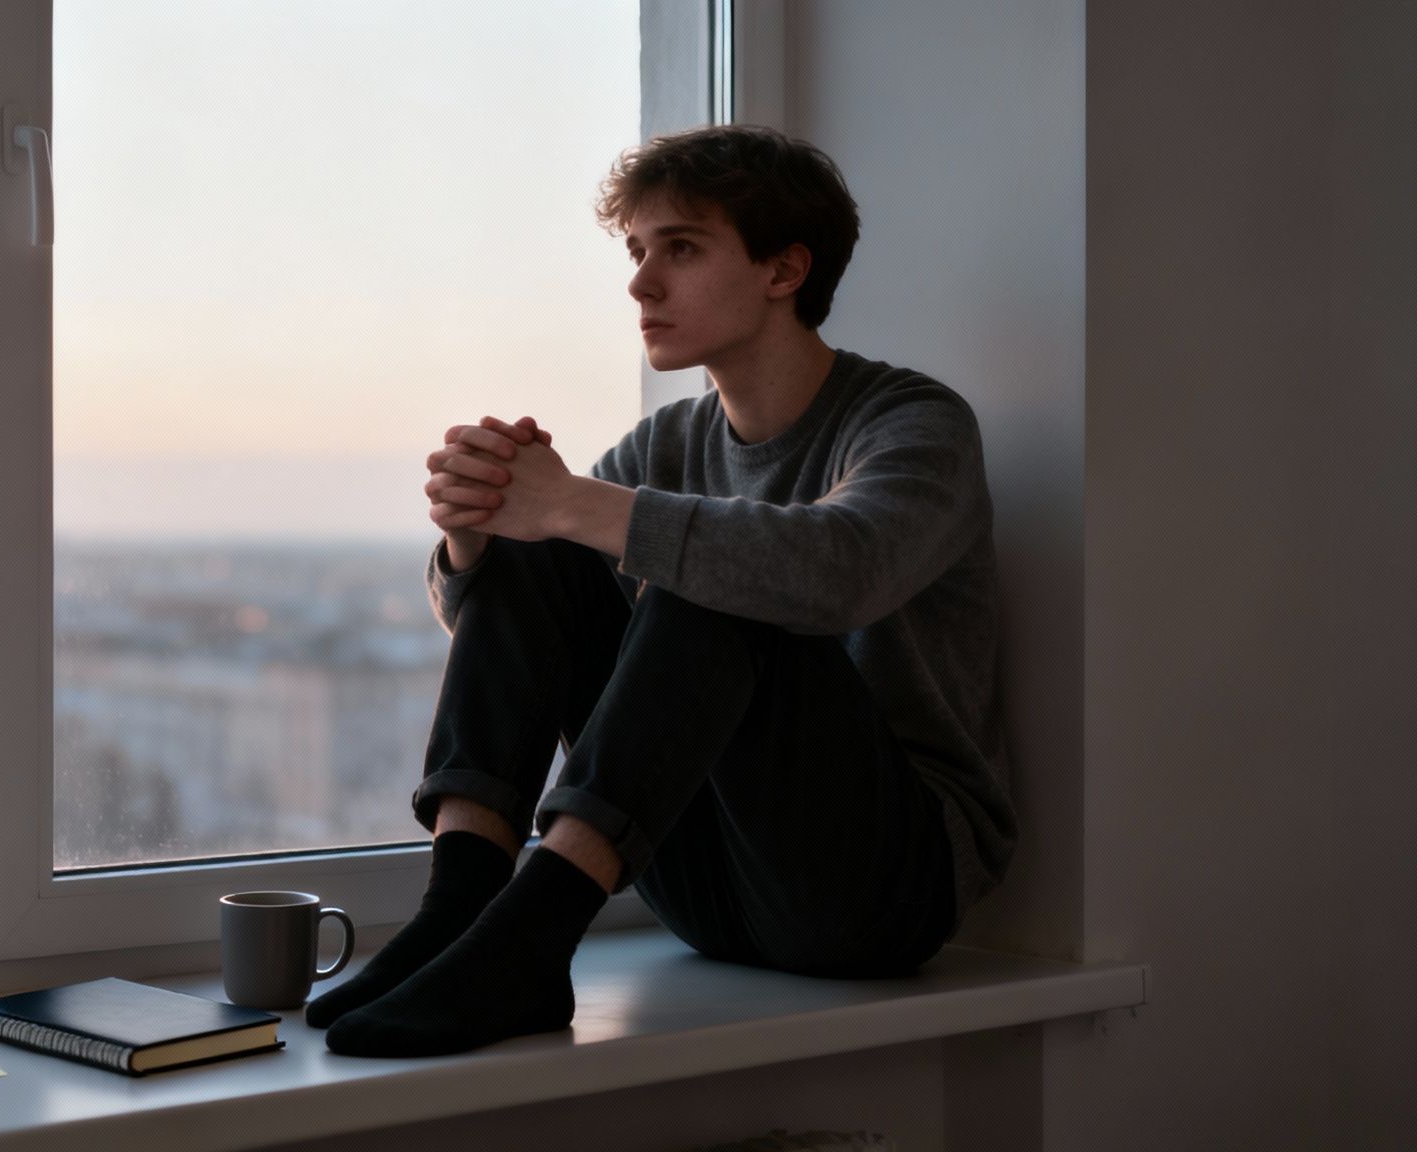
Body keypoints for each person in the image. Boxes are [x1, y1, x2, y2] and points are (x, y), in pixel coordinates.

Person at [308, 124, 1017, 1058]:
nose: (641, 283)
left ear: (784, 268)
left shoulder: (913, 423)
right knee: (545, 544)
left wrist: (571, 502)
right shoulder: (667, 445)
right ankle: (459, 917)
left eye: (679, 249)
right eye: (638, 252)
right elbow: (524, 637)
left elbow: (841, 572)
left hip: (876, 892)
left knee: (712, 570)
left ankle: (526, 943)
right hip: (701, 883)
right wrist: (474, 539)